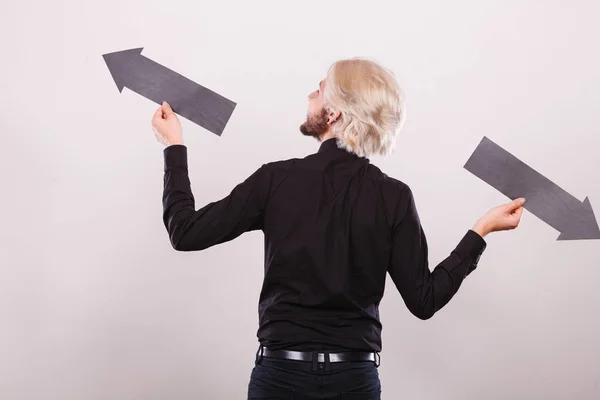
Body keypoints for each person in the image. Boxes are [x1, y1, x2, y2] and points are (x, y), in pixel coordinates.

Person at [151, 58, 525, 399]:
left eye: (320, 88)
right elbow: (424, 301)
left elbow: (185, 232)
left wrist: (174, 146)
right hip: (354, 382)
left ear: (334, 113)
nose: (311, 95)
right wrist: (481, 230)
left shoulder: (276, 180)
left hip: (281, 377)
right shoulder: (393, 197)